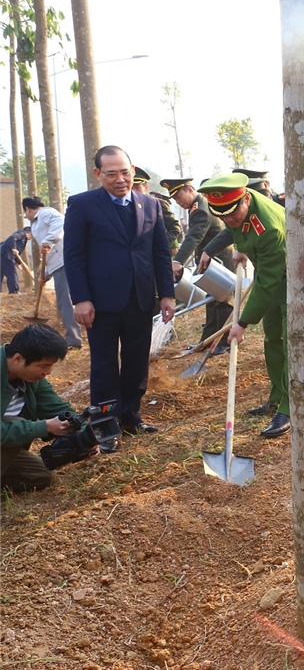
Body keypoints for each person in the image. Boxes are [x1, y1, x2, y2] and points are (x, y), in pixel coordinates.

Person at [64, 146, 175, 434]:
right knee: (104, 364)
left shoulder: (150, 205)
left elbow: (160, 253)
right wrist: (81, 299)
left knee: (137, 361)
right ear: (98, 174)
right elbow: (73, 255)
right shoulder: (82, 204)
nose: (120, 179)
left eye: (125, 172)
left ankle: (130, 416)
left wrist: (166, 293)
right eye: (111, 173)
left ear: (133, 170)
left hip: (140, 297)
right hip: (100, 301)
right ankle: (104, 423)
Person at [198, 173, 291, 438]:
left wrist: (242, 322)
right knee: (273, 338)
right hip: (270, 276)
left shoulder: (269, 227)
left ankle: (288, 406)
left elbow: (267, 280)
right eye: (222, 215)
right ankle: (277, 394)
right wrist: (210, 249)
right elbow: (233, 228)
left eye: (233, 213)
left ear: (246, 198)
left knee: (288, 343)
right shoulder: (237, 207)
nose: (229, 220)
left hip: (292, 280)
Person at [162, 177, 235, 353]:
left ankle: (225, 342)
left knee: (223, 302)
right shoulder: (196, 207)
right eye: (175, 199)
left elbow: (194, 237)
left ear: (190, 189)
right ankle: (207, 341)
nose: (178, 202)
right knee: (211, 303)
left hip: (220, 262)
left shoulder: (201, 209)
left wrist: (178, 261)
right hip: (208, 263)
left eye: (179, 196)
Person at [1, 324, 75, 493]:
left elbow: (55, 407)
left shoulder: (30, 378)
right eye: (43, 366)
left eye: (51, 366)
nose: (48, 372)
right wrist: (44, 427)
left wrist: (84, 432)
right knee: (16, 422)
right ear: (18, 359)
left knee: (40, 475)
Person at [22, 197, 82, 350]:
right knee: (65, 302)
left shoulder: (46, 213)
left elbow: (61, 222)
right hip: (59, 264)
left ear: (27, 209)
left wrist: (48, 241)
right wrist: (46, 273)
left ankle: (74, 340)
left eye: (25, 213)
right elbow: (50, 254)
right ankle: (73, 337)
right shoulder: (36, 221)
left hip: (66, 263)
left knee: (65, 302)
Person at [134, 167, 181, 255]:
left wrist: (161, 245)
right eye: (131, 188)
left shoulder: (157, 204)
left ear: (146, 188)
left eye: (137, 188)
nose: (134, 191)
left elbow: (175, 226)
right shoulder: (125, 206)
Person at [0, 227, 30, 294]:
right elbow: (12, 238)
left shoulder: (22, 239)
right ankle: (14, 291)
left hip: (2, 254)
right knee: (12, 273)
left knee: (0, 273)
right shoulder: (22, 234)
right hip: (5, 255)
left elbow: (17, 253)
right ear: (30, 233)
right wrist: (13, 248)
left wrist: (18, 263)